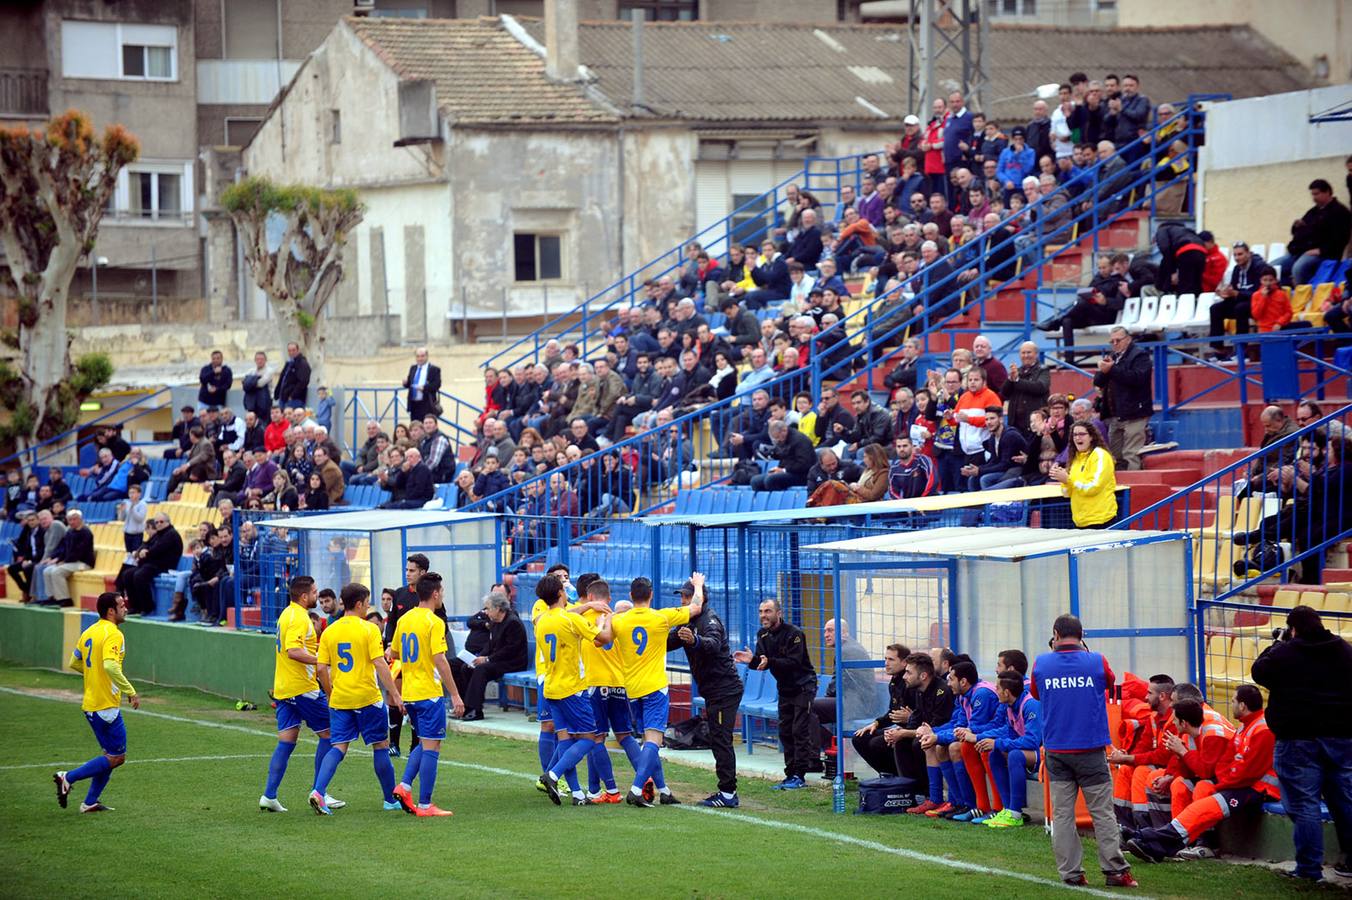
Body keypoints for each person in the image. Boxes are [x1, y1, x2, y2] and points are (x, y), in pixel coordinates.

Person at [1031, 614, 1137, 888]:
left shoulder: (1041, 662)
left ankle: (1072, 873)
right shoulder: (1096, 660)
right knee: (1102, 812)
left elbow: (1036, 693)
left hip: (1056, 748)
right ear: (1082, 636)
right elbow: (1108, 682)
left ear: (1055, 633)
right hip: (1090, 748)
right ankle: (1115, 871)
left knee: (1063, 814)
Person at [1125, 685, 1281, 865]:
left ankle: (1150, 837)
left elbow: (1243, 770)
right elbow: (1224, 763)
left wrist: (1221, 781)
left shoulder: (1261, 730)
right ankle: (1155, 845)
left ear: (1243, 706)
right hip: (1237, 786)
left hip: (1257, 790)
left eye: (1233, 701)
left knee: (1202, 800)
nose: (1231, 705)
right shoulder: (1244, 728)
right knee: (1192, 800)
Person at [1252, 605, 1352, 881]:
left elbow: (1259, 671)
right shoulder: (1344, 650)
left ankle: (1309, 869)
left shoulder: (1286, 652)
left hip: (1298, 739)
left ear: (1293, 628)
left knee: (1304, 804)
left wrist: (1277, 643)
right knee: (1345, 801)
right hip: (1341, 738)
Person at [597, 576, 702, 808]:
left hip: (632, 689)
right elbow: (695, 607)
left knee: (647, 740)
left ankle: (664, 790)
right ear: (651, 595)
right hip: (655, 687)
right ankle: (636, 788)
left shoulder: (621, 621)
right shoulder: (661, 616)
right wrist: (697, 585)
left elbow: (600, 640)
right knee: (654, 740)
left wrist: (608, 618)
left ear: (631, 596)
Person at [309, 583, 404, 815]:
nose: (368, 607)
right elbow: (380, 663)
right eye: (367, 602)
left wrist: (331, 693)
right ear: (360, 604)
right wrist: (395, 694)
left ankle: (319, 791)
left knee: (338, 747)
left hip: (340, 699)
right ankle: (389, 799)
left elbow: (321, 669)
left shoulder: (330, 630)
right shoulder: (368, 630)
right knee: (380, 746)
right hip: (367, 698)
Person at [258, 575, 346, 813]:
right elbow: (293, 650)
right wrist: (321, 659)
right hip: (303, 689)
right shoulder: (299, 617)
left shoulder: (286, 613)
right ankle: (321, 791)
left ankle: (269, 795)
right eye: (315, 592)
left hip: (284, 689)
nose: (317, 596)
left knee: (286, 742)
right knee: (332, 735)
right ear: (305, 596)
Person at [54, 592, 139, 813]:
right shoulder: (114, 634)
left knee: (110, 756)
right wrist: (130, 691)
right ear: (111, 611)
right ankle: (68, 777)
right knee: (117, 757)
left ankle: (90, 802)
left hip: (91, 705)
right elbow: (111, 666)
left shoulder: (90, 631)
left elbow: (74, 662)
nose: (126, 608)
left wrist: (94, 673)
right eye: (121, 605)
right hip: (105, 706)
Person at [389, 572, 465, 817]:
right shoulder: (434, 622)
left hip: (410, 692)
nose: (442, 595)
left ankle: (405, 785)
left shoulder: (405, 618)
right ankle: (425, 804)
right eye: (441, 591)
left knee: (425, 742)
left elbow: (394, 652)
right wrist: (454, 694)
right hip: (429, 692)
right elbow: (440, 659)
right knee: (433, 746)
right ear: (435, 594)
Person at [667, 573, 743, 807]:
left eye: (687, 596)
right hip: (713, 689)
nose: (683, 601)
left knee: (720, 739)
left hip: (724, 689)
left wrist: (694, 641)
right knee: (718, 738)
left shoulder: (709, 620)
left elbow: (712, 644)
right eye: (682, 597)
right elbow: (670, 642)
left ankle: (728, 793)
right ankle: (727, 791)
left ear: (700, 598)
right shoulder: (688, 621)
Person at [535, 573, 606, 806]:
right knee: (588, 738)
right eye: (564, 590)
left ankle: (576, 793)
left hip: (551, 687)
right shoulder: (570, 620)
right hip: (572, 688)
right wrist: (602, 622)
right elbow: (602, 639)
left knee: (565, 739)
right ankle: (552, 775)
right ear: (559, 594)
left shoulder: (542, 621)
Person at [734, 598, 817, 791]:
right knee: (785, 730)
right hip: (785, 688)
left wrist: (767, 662)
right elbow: (762, 662)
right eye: (761, 611)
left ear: (778, 613)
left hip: (803, 686)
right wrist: (750, 661)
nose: (764, 615)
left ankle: (800, 775)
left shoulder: (794, 634)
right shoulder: (762, 634)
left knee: (799, 730)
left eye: (768, 611)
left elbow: (794, 662)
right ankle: (790, 775)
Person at [919, 660, 1001, 821]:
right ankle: (957, 802)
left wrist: (937, 736)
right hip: (978, 736)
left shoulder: (981, 694)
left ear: (963, 681)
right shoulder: (963, 696)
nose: (948, 683)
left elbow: (973, 729)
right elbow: (959, 725)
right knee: (940, 747)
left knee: (955, 747)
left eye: (951, 679)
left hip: (991, 738)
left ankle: (971, 804)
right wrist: (933, 732)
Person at [974, 670, 1044, 828]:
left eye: (997, 687)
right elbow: (1010, 732)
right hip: (1031, 750)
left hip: (1045, 752)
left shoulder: (1030, 704)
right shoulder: (1010, 705)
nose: (995, 689)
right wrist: (983, 738)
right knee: (995, 755)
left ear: (1006, 692)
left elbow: (1033, 741)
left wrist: (998, 743)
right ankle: (1007, 809)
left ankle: (1015, 813)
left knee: (1015, 756)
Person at [455, 593, 528, 721]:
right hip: (498, 660)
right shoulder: (495, 623)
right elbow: (490, 645)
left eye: (488, 608)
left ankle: (476, 710)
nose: (486, 612)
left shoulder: (512, 623)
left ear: (498, 608)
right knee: (466, 668)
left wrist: (487, 659)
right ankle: (466, 707)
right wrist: (478, 658)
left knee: (481, 669)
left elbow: (510, 649)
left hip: (513, 662)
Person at [1271, 179, 1352, 287]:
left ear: (1327, 192)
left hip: (1325, 254)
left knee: (1299, 268)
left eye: (1316, 194)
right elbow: (1300, 232)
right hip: (1300, 251)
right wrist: (1296, 226)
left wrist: (1321, 250)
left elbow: (1341, 238)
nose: (1314, 198)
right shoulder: (1313, 212)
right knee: (1273, 268)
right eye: (1312, 194)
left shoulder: (1340, 212)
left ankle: (1304, 296)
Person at [1093, 326, 1153, 471]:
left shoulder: (1140, 356)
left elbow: (1138, 378)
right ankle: (1119, 489)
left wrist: (1112, 369)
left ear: (1128, 339)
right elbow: (1098, 382)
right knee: (1115, 455)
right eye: (1112, 341)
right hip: (1115, 414)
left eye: (1118, 340)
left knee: (1131, 454)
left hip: (1135, 412)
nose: (1114, 344)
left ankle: (1135, 489)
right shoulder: (1112, 356)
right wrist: (1103, 371)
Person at [851, 643, 911, 776]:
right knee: (859, 738)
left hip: (911, 731)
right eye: (885, 659)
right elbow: (893, 713)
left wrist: (908, 722)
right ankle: (886, 775)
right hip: (899, 729)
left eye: (891, 660)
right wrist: (876, 723)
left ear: (904, 662)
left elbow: (916, 714)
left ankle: (898, 776)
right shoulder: (894, 681)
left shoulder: (910, 682)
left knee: (876, 743)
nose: (886, 663)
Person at [1051, 421, 1118, 528]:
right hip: (1080, 521)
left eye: (1082, 434)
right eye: (1075, 435)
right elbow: (1067, 493)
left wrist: (1068, 479)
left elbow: (1093, 487)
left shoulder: (1100, 456)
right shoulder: (1075, 459)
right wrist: (1063, 480)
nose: (1078, 438)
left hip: (1101, 520)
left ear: (1091, 437)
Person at [39, 509, 94, 608]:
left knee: (57, 572)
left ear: (80, 519)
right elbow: (63, 548)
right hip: (70, 562)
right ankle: (53, 597)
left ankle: (65, 599)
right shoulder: (69, 532)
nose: (72, 522)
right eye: (69, 520)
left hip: (82, 562)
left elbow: (79, 553)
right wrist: (56, 558)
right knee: (47, 570)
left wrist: (64, 561)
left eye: (74, 519)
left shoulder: (85, 532)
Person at [403, 347, 442, 422]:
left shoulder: (434, 369)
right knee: (415, 428)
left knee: (426, 428)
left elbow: (437, 384)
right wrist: (405, 383)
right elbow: (410, 384)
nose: (420, 359)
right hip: (414, 404)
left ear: (427, 356)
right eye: (417, 356)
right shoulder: (413, 368)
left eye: (422, 356)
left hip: (427, 404)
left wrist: (424, 388)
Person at [275, 342, 311, 411]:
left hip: (295, 400)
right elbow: (282, 379)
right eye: (289, 350)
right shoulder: (289, 363)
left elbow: (303, 381)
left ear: (298, 350)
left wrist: (292, 395)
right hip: (283, 398)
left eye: (293, 350)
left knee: (292, 420)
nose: (291, 352)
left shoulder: (302, 363)